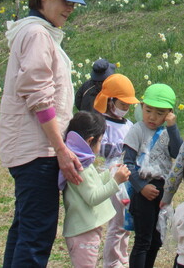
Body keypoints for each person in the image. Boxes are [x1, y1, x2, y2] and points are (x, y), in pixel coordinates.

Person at [0, 0, 86, 267]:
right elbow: (38, 95)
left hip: (32, 148)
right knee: (36, 236)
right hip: (38, 150)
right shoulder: (37, 34)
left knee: (25, 230)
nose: (70, 7)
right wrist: (60, 149)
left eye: (73, 1)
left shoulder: (37, 31)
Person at [59, 111, 131, 268]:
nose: (100, 146)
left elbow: (92, 183)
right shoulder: (81, 166)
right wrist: (116, 181)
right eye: (100, 141)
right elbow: (92, 197)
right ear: (90, 141)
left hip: (85, 229)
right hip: (84, 231)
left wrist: (109, 173)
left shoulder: (81, 159)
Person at [123, 83, 183, 268]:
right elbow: (128, 163)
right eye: (148, 110)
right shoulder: (137, 130)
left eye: (160, 113)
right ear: (141, 107)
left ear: (169, 113)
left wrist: (172, 127)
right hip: (143, 192)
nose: (152, 117)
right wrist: (141, 187)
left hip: (162, 193)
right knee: (143, 239)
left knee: (157, 239)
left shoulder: (166, 131)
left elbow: (177, 152)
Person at [93, 73, 141, 268]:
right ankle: (112, 262)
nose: (126, 108)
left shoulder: (129, 125)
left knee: (126, 221)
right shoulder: (101, 124)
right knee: (117, 223)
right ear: (110, 101)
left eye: (128, 105)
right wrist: (123, 147)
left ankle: (122, 257)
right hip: (112, 176)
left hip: (127, 176)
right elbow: (100, 150)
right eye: (122, 104)